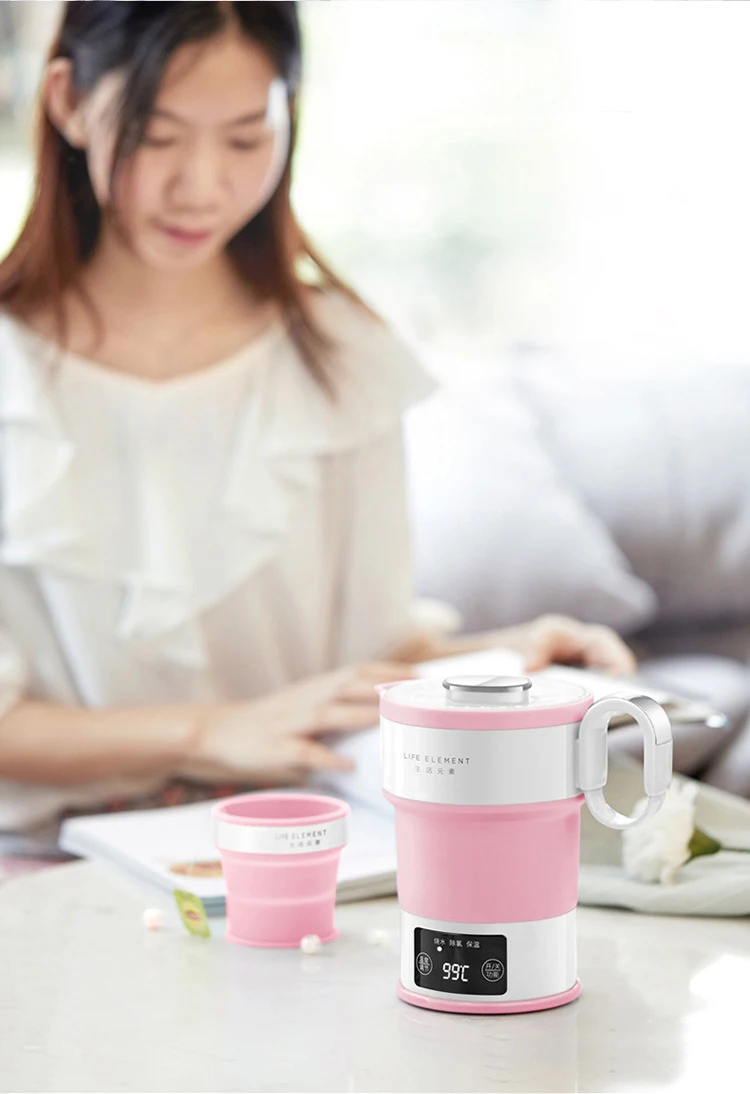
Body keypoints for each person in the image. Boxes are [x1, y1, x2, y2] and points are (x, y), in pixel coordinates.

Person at [0, 1, 636, 866]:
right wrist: (212, 731)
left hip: (304, 849)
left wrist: (506, 658)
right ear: (69, 102)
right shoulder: (16, 368)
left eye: (245, 137)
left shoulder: (340, 357)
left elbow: (365, 659)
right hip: (45, 859)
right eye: (156, 134)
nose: (201, 185)